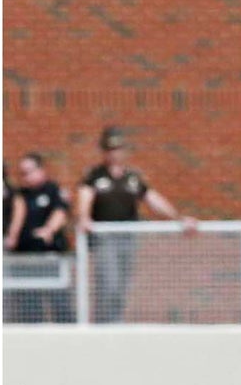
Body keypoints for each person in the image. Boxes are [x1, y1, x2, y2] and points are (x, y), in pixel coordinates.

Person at [76, 125, 197, 323]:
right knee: (109, 283)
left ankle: (116, 322)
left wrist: (178, 217)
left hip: (128, 237)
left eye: (117, 149)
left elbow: (152, 198)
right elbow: (84, 196)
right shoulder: (95, 176)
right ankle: (104, 324)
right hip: (105, 238)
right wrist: (84, 217)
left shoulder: (132, 178)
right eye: (109, 149)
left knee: (122, 284)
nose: (114, 154)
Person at [11, 152, 73, 323]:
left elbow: (61, 212)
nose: (26, 177)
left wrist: (49, 229)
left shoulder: (53, 190)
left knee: (59, 302)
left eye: (29, 172)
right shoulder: (20, 195)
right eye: (22, 173)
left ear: (41, 170)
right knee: (29, 306)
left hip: (49, 257)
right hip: (25, 259)